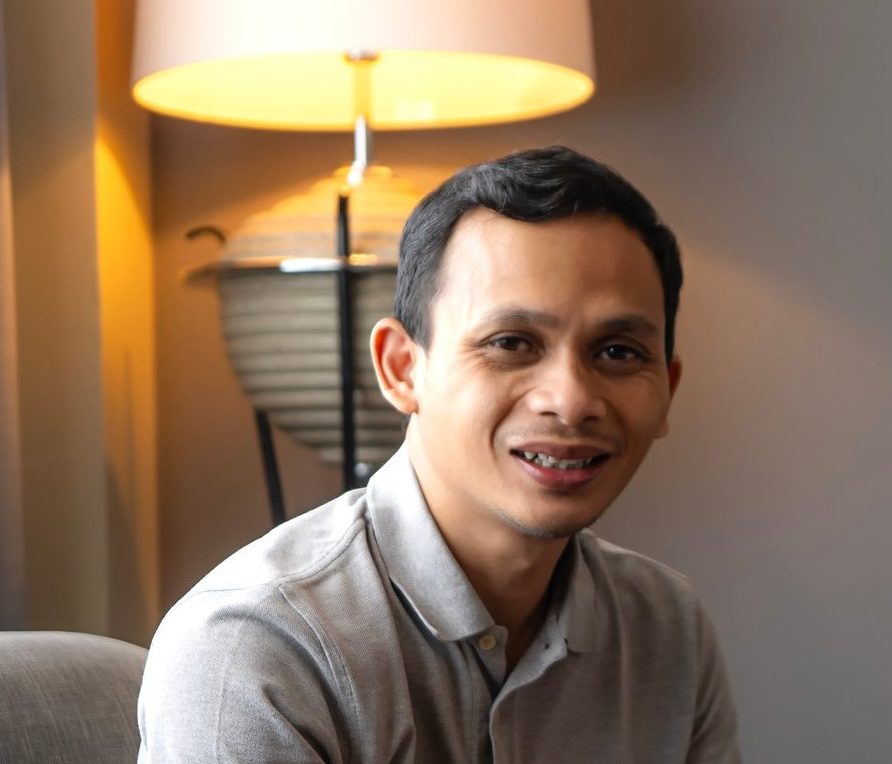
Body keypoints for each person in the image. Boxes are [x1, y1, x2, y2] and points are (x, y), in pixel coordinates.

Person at [138, 146, 741, 763]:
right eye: (511, 343)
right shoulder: (257, 648)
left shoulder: (668, 629)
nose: (572, 399)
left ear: (666, 390)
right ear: (402, 369)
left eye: (617, 352)